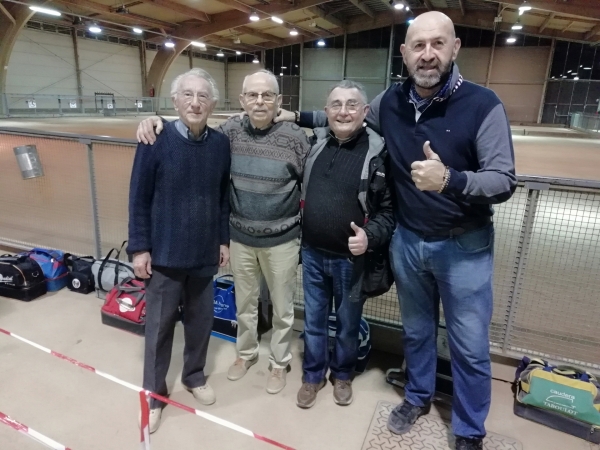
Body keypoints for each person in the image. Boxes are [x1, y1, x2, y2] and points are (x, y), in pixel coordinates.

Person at [278, 12, 517, 450]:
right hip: (408, 241)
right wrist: (290, 113)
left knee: (467, 344)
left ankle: (468, 430)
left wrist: (451, 179)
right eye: (419, 46)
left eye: (437, 44)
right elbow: (345, 116)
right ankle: (419, 396)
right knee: (417, 331)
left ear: (454, 48)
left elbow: (504, 180)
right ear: (405, 54)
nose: (428, 54)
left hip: (464, 244)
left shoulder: (484, 104)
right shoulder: (391, 101)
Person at [136, 70, 311, 395]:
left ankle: (277, 363)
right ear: (242, 100)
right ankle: (243, 356)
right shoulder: (228, 132)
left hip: (279, 240)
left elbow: (310, 180)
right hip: (236, 239)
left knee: (282, 308)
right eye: (253, 95)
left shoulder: (295, 137)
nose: (260, 101)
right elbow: (189, 127)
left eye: (267, 95)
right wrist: (153, 119)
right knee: (244, 304)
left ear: (279, 101)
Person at [127, 68, 231, 433]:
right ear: (174, 101)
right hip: (166, 256)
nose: (195, 102)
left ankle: (194, 375)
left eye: (203, 96)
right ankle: (154, 394)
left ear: (213, 104)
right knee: (158, 329)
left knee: (201, 324)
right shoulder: (155, 140)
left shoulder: (220, 144)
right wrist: (139, 249)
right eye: (187, 94)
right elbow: (138, 199)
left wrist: (223, 240)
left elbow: (221, 199)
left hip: (204, 254)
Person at [296, 80, 394, 409]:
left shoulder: (378, 152)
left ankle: (343, 374)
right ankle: (312, 376)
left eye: (352, 104)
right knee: (313, 321)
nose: (343, 111)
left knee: (348, 324)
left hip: (351, 262)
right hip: (311, 254)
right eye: (336, 104)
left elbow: (389, 212)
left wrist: (369, 237)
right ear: (326, 113)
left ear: (365, 112)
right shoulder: (315, 145)